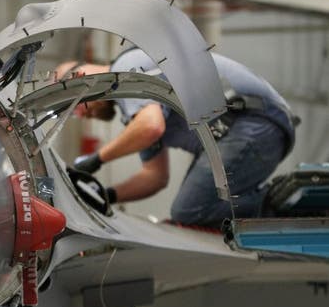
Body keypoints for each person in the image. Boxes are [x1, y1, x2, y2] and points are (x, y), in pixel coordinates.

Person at [55, 48, 296, 227]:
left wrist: (96, 160)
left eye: (75, 108)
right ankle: (278, 200)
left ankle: (291, 202)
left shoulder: (126, 70)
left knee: (189, 212)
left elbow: (151, 127)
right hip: (239, 131)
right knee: (192, 216)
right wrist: (105, 195)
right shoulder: (134, 110)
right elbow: (155, 177)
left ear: (79, 78)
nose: (82, 116)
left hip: (252, 122)